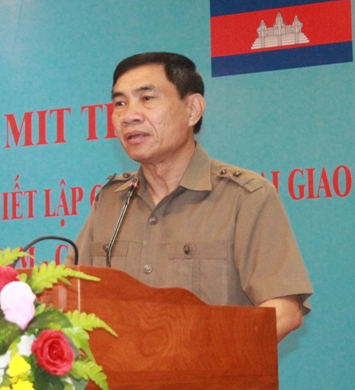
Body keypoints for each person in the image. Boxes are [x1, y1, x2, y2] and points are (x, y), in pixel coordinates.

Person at [65, 52, 313, 342]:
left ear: (192, 109)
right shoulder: (111, 201)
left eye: (147, 98)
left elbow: (284, 310)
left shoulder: (244, 197)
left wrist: (213, 358)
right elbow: (67, 296)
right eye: (120, 103)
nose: (129, 115)